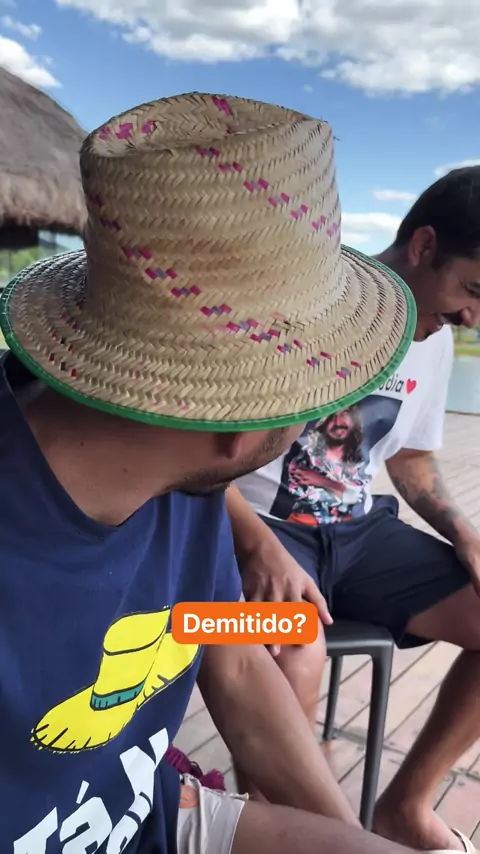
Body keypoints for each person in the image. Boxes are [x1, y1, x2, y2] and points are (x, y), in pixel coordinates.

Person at [0, 90, 422, 854]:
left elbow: (231, 661)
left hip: (149, 807)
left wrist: (344, 836)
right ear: (238, 426)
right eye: (320, 393)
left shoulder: (175, 475)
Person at [229, 165, 480, 854]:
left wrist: (465, 533)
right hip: (261, 524)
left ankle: (405, 807)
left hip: (360, 531)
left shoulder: (433, 339)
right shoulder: (298, 305)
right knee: (294, 650)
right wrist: (255, 546)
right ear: (423, 246)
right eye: (473, 290)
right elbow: (191, 449)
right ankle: (283, 837)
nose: (472, 318)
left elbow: (411, 458)